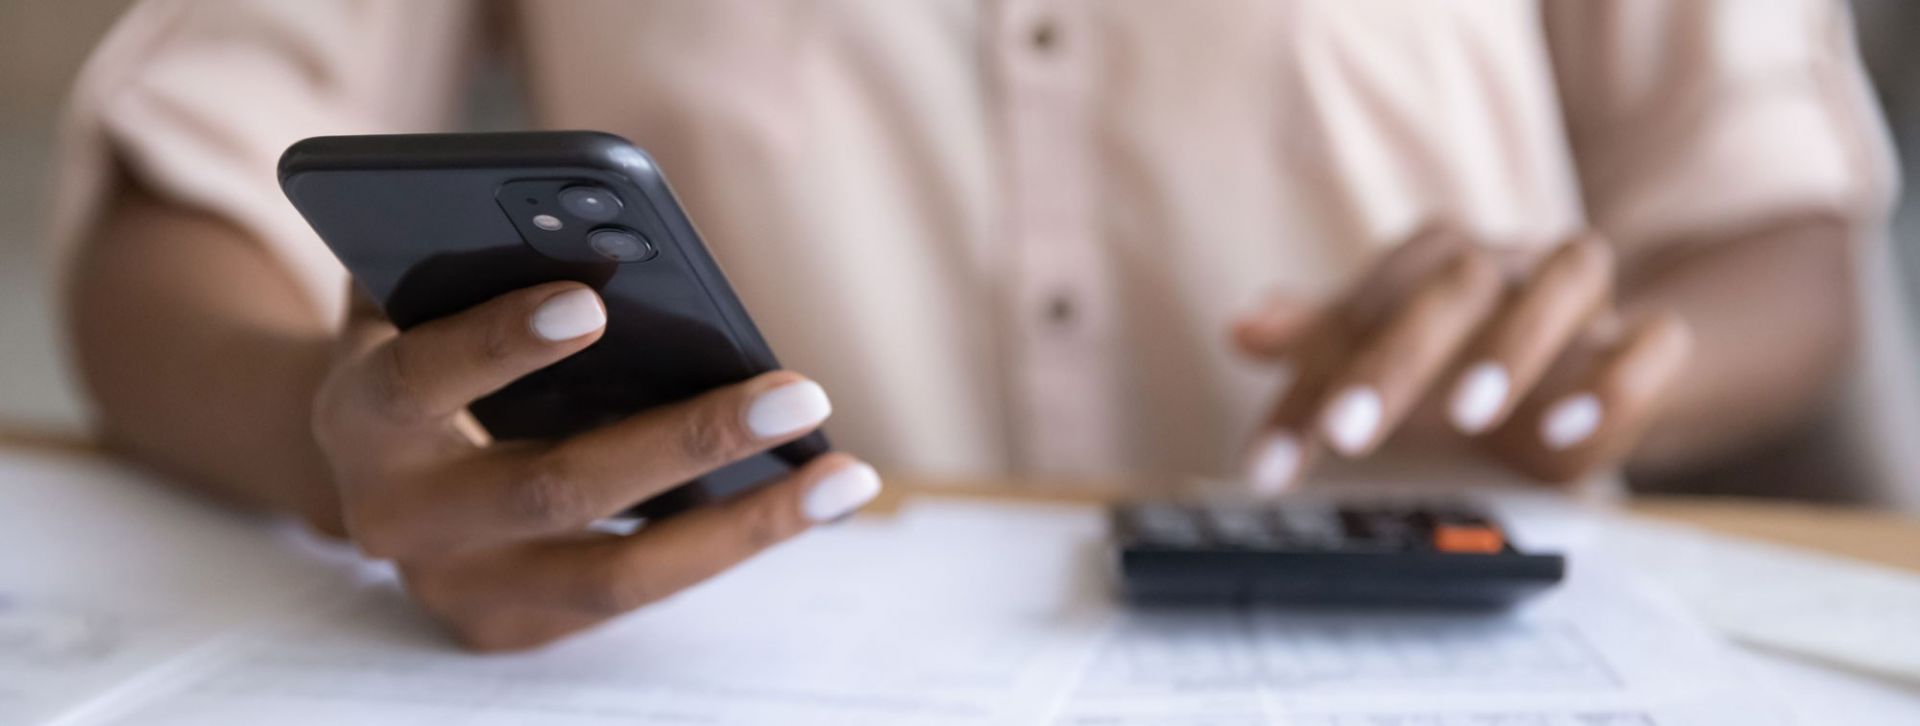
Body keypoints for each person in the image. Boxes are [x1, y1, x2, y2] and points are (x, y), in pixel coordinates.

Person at [50, 1, 1894, 650]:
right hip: (741, 670)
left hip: (1443, 642)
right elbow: (167, 216)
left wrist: (1598, 351)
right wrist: (332, 427)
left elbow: (1777, 237)